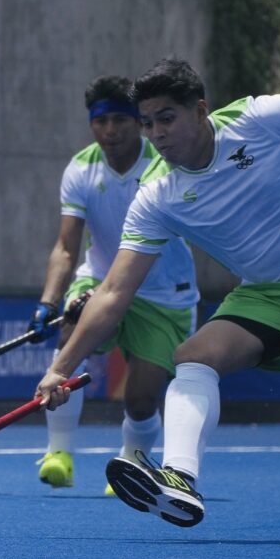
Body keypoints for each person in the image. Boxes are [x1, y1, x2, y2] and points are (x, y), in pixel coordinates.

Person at [35, 58, 280, 538]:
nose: (156, 134)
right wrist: (61, 367)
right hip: (267, 293)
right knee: (194, 356)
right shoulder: (157, 195)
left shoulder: (259, 119)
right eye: (147, 124)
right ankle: (179, 478)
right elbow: (114, 293)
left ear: (201, 110)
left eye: (167, 118)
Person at [31, 76, 199, 492]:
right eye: (100, 121)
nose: (109, 131)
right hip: (100, 280)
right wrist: (50, 302)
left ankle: (131, 462)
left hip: (164, 292)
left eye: (121, 120)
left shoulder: (165, 164)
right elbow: (67, 248)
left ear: (139, 123)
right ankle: (59, 453)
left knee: (141, 398)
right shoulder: (81, 168)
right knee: (70, 333)